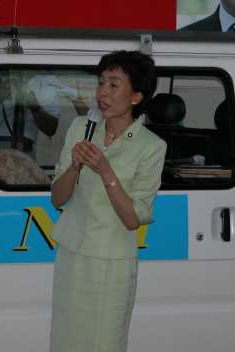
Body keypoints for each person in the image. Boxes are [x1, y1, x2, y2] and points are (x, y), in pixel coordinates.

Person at [49, 51, 166, 352]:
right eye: (101, 82)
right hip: (72, 254)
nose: (103, 92)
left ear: (136, 97)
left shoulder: (151, 146)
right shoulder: (80, 128)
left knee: (105, 343)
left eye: (114, 85)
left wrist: (105, 171)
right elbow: (57, 198)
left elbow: (133, 218)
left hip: (111, 263)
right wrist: (74, 167)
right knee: (66, 341)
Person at [0, 74, 87, 156]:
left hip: (26, 152)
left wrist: (35, 108)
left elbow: (50, 130)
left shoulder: (46, 83)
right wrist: (0, 96)